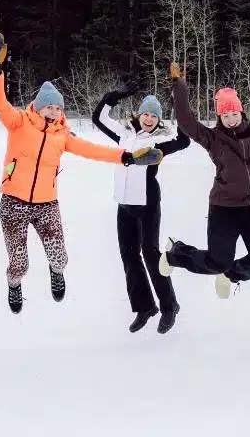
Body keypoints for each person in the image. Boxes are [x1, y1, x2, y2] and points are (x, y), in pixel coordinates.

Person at [0, 32, 155, 313]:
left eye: (58, 107)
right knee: (19, 262)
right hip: (13, 201)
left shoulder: (62, 135)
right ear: (39, 107)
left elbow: (91, 149)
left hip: (46, 203)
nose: (54, 111)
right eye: (49, 106)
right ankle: (14, 285)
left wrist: (126, 157)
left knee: (59, 256)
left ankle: (56, 272)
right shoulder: (19, 122)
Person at [158, 51, 250, 299]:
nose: (230, 119)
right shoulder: (214, 138)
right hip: (224, 208)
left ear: (241, 111)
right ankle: (177, 254)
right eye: (225, 115)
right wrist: (179, 86)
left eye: (234, 113)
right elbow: (186, 121)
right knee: (217, 260)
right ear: (220, 116)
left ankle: (231, 274)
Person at [91, 87, 190, 334]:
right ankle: (144, 307)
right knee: (129, 256)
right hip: (124, 205)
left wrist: (179, 105)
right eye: (146, 114)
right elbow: (99, 118)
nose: (149, 119)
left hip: (147, 205)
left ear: (159, 120)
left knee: (150, 253)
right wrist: (114, 96)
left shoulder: (160, 140)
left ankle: (170, 306)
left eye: (154, 116)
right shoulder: (124, 135)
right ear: (138, 115)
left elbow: (184, 140)